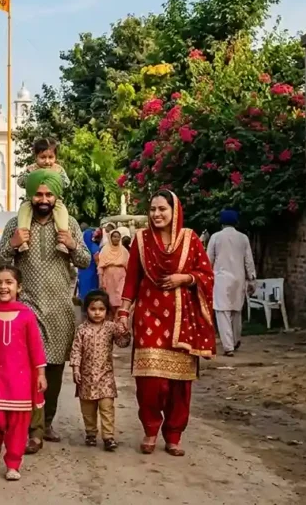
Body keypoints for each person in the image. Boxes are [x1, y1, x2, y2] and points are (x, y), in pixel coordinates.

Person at [0, 169, 90, 453]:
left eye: (49, 194)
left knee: (56, 371)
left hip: (60, 309)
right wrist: (12, 245)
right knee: (31, 368)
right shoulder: (16, 225)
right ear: (30, 196)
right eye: (39, 194)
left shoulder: (68, 224)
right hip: (28, 307)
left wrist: (72, 245)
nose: (43, 199)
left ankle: (46, 421)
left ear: (56, 196)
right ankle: (33, 430)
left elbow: (84, 261)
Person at [118, 190, 215, 457]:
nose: (157, 214)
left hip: (183, 320)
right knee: (150, 383)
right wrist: (124, 313)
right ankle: (150, 429)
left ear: (174, 212)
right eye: (152, 209)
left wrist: (184, 278)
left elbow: (207, 274)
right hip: (149, 316)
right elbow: (132, 279)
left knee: (179, 384)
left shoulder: (190, 239)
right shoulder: (141, 240)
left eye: (162, 209)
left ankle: (173, 434)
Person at [0, 265, 48, 482]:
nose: (3, 287)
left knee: (18, 424)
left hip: (22, 380)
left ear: (19, 287)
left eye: (9, 282)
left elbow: (35, 347)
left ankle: (13, 463)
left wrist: (41, 374)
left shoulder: (27, 315)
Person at [70, 290, 131, 451]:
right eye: (93, 309)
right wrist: (76, 369)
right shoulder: (82, 330)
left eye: (101, 309)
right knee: (88, 409)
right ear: (87, 310)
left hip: (105, 377)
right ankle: (91, 433)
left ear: (107, 311)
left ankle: (108, 437)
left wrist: (124, 330)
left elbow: (122, 342)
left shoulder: (111, 328)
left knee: (107, 407)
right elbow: (76, 351)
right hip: (86, 377)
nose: (97, 313)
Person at [207, 210, 256, 357]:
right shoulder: (243, 238)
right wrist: (252, 279)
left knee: (222, 312)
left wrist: (205, 277)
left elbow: (208, 260)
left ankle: (228, 347)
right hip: (238, 278)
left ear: (221, 223)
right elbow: (249, 260)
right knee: (236, 310)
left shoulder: (216, 237)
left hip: (221, 278)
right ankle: (235, 340)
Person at [16, 139, 72, 253]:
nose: (47, 161)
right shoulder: (31, 169)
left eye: (50, 157)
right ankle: (23, 241)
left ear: (55, 157)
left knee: (62, 212)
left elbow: (66, 183)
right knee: (24, 210)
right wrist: (33, 177)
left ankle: (62, 241)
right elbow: (20, 182)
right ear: (36, 157)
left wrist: (54, 177)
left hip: (56, 202)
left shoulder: (58, 169)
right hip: (30, 202)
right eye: (43, 157)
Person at [97, 230, 129, 309]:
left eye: (118, 237)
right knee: (110, 299)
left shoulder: (124, 251)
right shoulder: (105, 250)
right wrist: (100, 280)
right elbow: (100, 266)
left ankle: (118, 317)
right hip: (109, 278)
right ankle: (112, 317)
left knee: (120, 297)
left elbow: (129, 265)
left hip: (121, 276)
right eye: (114, 237)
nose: (116, 239)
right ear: (110, 238)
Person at [77, 227, 102, 303]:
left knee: (84, 288)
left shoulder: (80, 247)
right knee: (92, 290)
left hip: (82, 272)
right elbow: (97, 260)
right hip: (92, 272)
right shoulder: (94, 247)